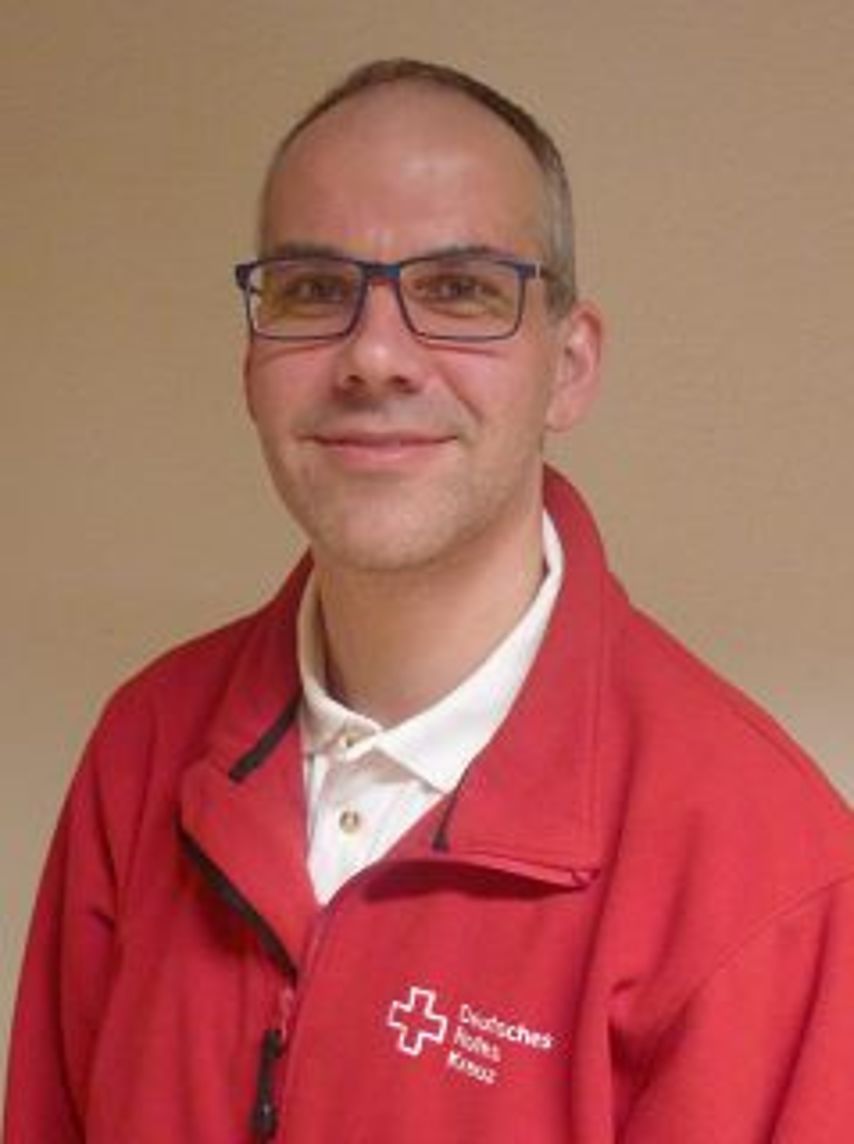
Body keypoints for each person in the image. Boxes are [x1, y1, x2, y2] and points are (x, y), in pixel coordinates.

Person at [4, 58, 854, 1144]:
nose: (372, 356)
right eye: (314, 290)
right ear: (252, 358)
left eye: (458, 290)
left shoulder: (764, 868)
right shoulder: (144, 751)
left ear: (569, 367)